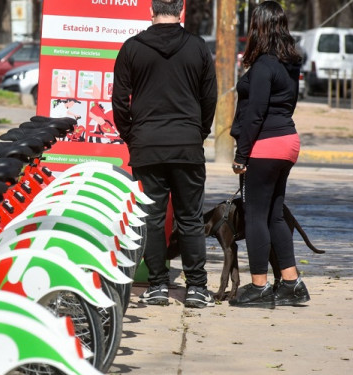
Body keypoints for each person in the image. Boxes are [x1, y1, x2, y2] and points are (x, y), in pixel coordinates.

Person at [112, 0, 218, 308]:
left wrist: (132, 136)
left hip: (147, 145)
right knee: (190, 217)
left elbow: (119, 99)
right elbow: (209, 97)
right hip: (186, 144)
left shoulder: (132, 48)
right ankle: (197, 288)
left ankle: (157, 285)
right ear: (181, 12)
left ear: (151, 12)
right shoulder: (197, 47)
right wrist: (199, 133)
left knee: (152, 219)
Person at [229, 1, 309, 308]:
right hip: (288, 141)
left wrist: (242, 155)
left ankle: (259, 286)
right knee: (275, 214)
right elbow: (288, 106)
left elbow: (255, 114)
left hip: (266, 143)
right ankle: (292, 284)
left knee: (255, 216)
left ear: (258, 27)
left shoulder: (263, 66)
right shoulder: (290, 64)